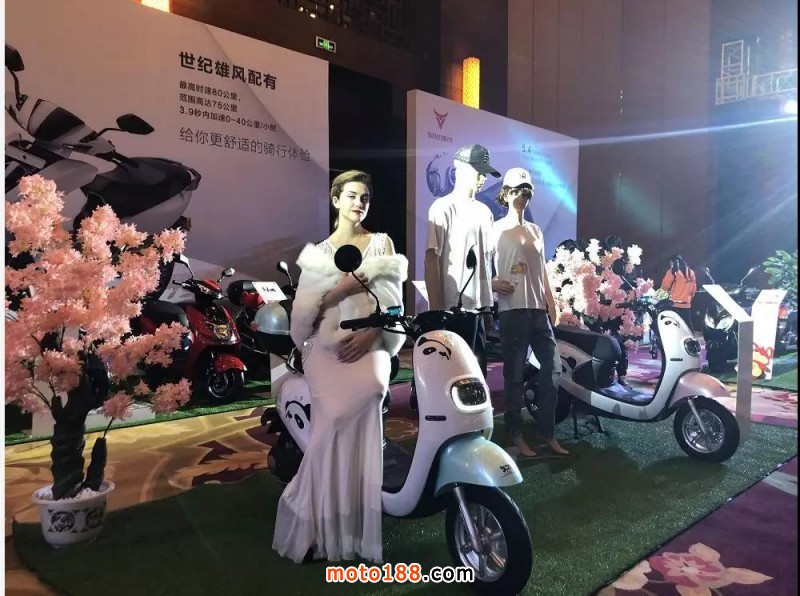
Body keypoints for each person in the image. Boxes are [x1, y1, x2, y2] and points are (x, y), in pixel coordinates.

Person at [272, 170, 407, 564]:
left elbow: (395, 306)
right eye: (351, 195)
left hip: (372, 345)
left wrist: (372, 333)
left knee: (373, 390)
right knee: (328, 427)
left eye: (364, 197)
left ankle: (354, 530)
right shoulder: (318, 254)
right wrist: (343, 289)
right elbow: (304, 319)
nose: (358, 203)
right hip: (325, 351)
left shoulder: (381, 244)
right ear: (335, 200)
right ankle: (312, 518)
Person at [491, 167, 569, 458]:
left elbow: (542, 271)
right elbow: (480, 268)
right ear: (506, 193)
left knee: (553, 369)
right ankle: (514, 432)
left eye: (526, 192)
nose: (521, 197)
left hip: (537, 310)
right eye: (516, 192)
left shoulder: (535, 230)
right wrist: (491, 283)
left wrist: (551, 301)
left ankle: (547, 432)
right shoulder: (495, 229)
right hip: (512, 309)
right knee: (514, 375)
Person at [424, 144, 500, 377]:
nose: (483, 178)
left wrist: (487, 306)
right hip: (452, 306)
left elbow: (486, 262)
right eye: (479, 171)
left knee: (477, 372)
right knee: (453, 374)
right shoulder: (442, 208)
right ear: (460, 168)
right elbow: (432, 258)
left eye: (485, 173)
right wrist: (436, 309)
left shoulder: (485, 212)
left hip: (478, 308)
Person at [661, 254, 697, 331]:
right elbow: (694, 290)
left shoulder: (673, 271)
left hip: (674, 304)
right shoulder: (691, 272)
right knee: (687, 326)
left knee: (675, 327)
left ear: (673, 262)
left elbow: (665, 287)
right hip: (686, 304)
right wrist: (689, 299)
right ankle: (691, 338)